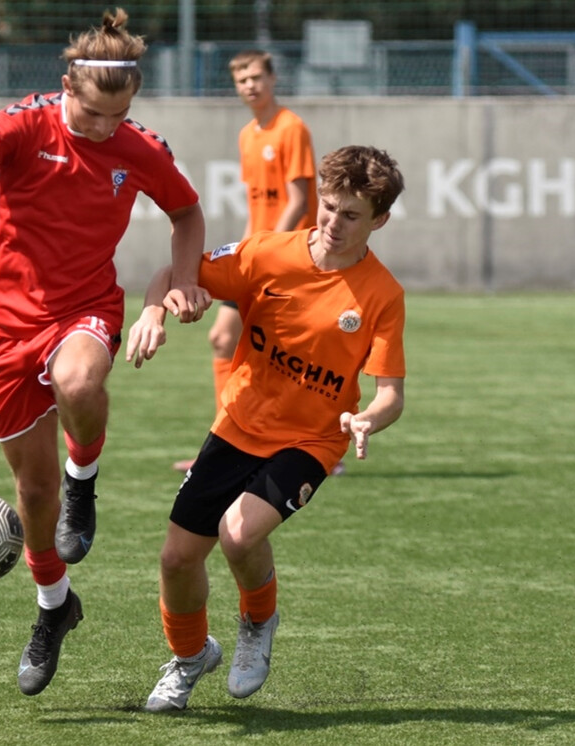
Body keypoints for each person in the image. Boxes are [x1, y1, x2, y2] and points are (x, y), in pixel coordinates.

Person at [0, 8, 208, 698]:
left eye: (117, 116)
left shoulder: (139, 147)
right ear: (68, 82)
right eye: (94, 114)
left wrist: (183, 281)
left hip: (85, 307)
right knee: (30, 496)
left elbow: (186, 212)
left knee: (79, 382)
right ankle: (53, 609)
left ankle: (84, 481)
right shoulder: (23, 123)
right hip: (8, 325)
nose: (104, 129)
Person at [127, 145, 407, 712]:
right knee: (177, 559)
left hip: (311, 439)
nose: (333, 223)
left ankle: (258, 622)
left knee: (237, 534)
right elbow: (170, 274)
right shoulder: (268, 255)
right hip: (237, 424)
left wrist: (366, 419)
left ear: (379, 220)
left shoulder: (382, 294)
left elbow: (391, 394)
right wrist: (156, 311)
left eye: (351, 215)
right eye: (328, 207)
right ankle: (189, 658)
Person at [172, 49, 324, 473]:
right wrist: (242, 252)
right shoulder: (248, 135)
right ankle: (226, 448)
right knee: (227, 341)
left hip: (287, 257)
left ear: (273, 78)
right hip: (258, 254)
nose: (250, 85)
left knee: (294, 359)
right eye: (242, 80)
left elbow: (298, 200)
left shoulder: (291, 128)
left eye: (256, 76)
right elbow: (257, 205)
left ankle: (310, 449)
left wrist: (269, 248)